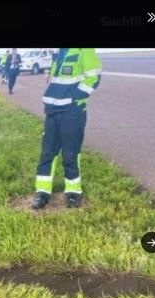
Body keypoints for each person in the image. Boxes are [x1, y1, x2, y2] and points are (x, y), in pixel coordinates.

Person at [32, 48, 102, 210]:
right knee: (47, 153)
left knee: (70, 154)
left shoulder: (84, 50)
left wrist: (74, 98)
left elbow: (94, 77)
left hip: (72, 113)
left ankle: (73, 193)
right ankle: (42, 192)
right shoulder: (60, 52)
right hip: (52, 112)